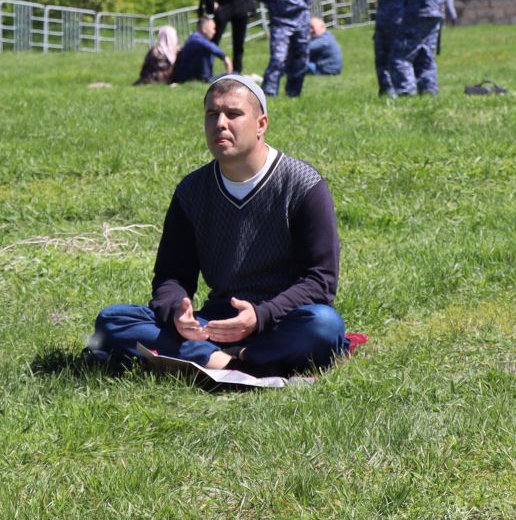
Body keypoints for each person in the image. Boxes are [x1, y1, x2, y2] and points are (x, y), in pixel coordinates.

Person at [86, 74, 349, 376]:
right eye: (212, 114)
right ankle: (237, 363)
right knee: (112, 320)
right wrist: (177, 313)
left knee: (325, 325)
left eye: (233, 114)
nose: (220, 123)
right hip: (214, 323)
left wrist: (260, 316)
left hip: (283, 319)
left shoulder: (302, 184)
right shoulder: (192, 190)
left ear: (261, 124)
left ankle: (217, 359)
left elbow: (321, 282)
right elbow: (171, 276)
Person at [170, 16, 231, 84]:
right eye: (213, 29)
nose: (214, 32)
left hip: (194, 77)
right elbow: (210, 46)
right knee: (231, 76)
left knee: (231, 75)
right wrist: (224, 57)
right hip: (187, 78)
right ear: (204, 29)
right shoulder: (195, 39)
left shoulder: (197, 39)